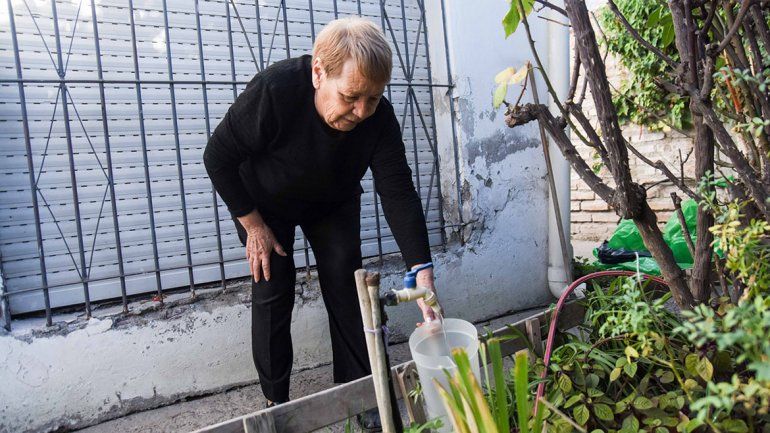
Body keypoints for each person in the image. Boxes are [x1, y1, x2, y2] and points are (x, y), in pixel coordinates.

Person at [203, 16, 437, 431]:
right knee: (273, 290)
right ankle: (277, 404)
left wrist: (421, 270)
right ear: (317, 73)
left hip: (332, 200)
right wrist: (253, 225)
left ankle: (361, 393)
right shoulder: (274, 91)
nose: (362, 111)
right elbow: (217, 157)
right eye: (351, 96)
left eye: (373, 98)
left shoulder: (377, 116)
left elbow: (397, 190)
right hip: (265, 205)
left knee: (350, 291)